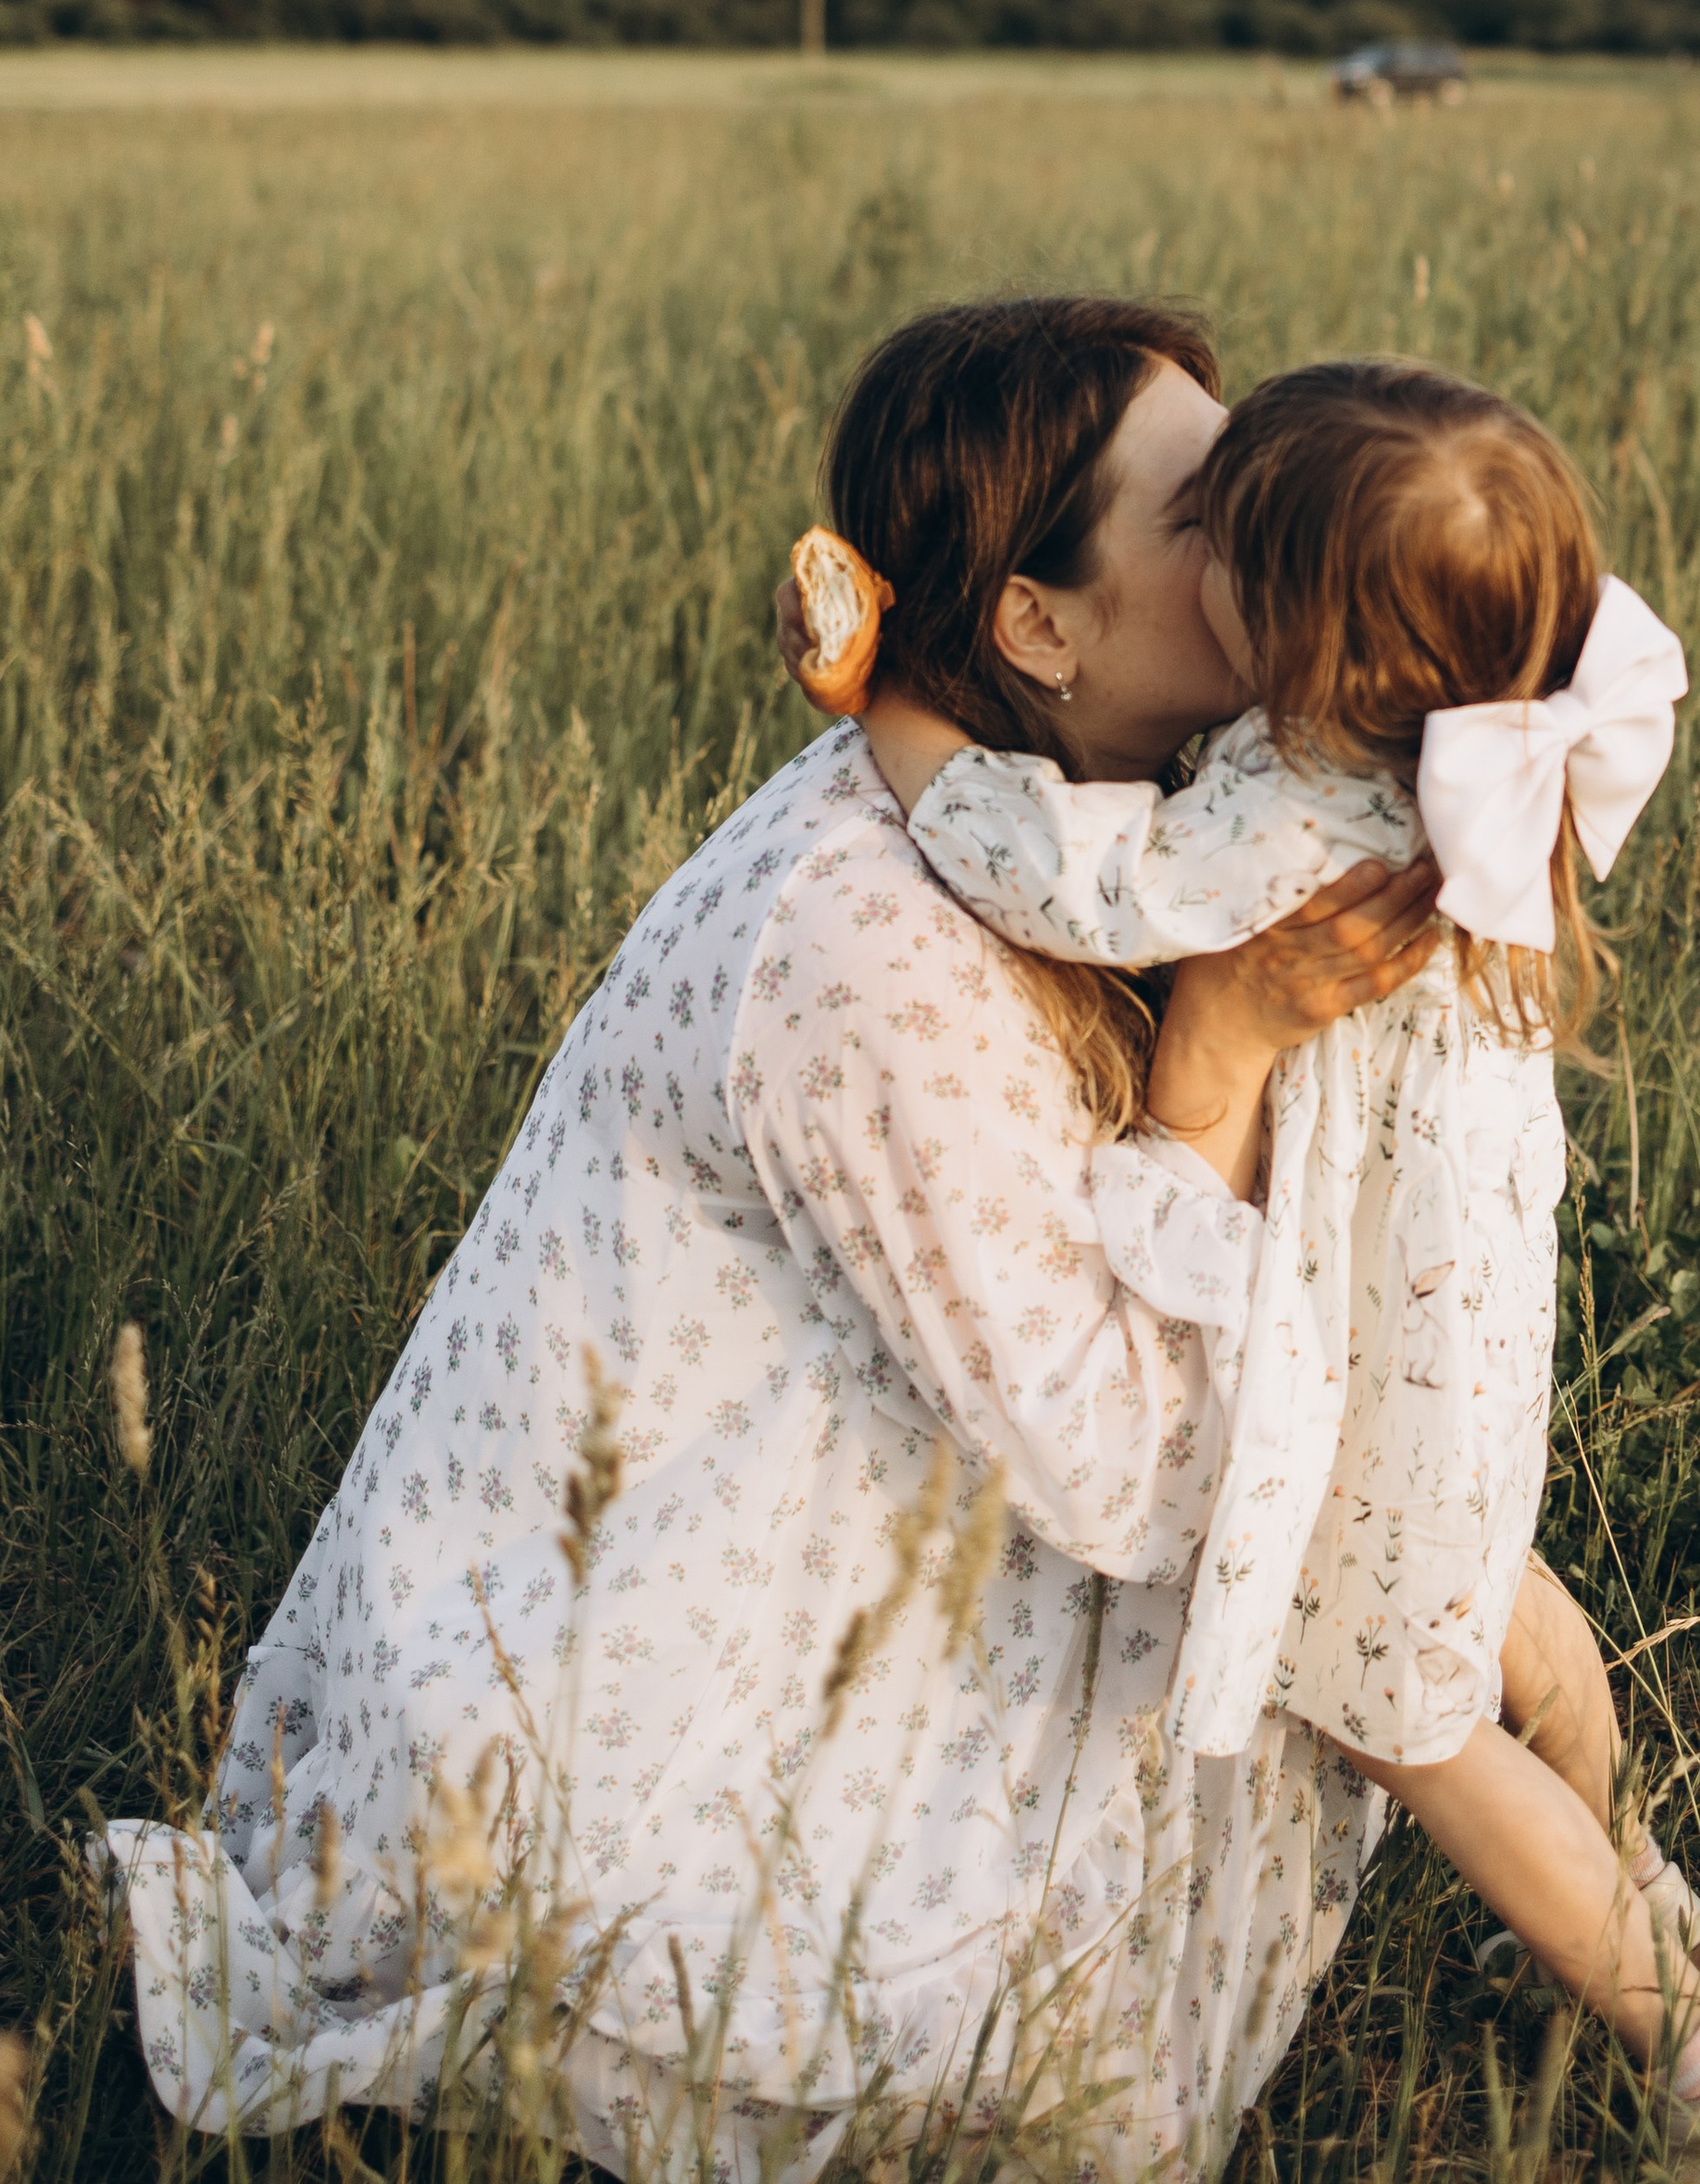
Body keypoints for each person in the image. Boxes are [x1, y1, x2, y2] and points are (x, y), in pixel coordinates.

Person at [106, 295, 1442, 2182]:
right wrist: (1215, 1059)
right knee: (1065, 2073)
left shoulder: (1093, 820)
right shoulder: (865, 942)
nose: (1278, 535)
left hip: (824, 1529)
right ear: (1038, 627)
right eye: (1212, 515)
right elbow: (1128, 1475)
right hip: (614, 1703)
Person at [853, 359, 1700, 2178]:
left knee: (1418, 1726)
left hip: (1366, 1334)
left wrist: (893, 719)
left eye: (1229, 547)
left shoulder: (1299, 800)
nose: (1201, 562)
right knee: (1504, 1605)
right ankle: (1642, 1881)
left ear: (1312, 651)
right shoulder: (1489, 711)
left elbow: (1073, 883)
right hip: (1469, 1313)